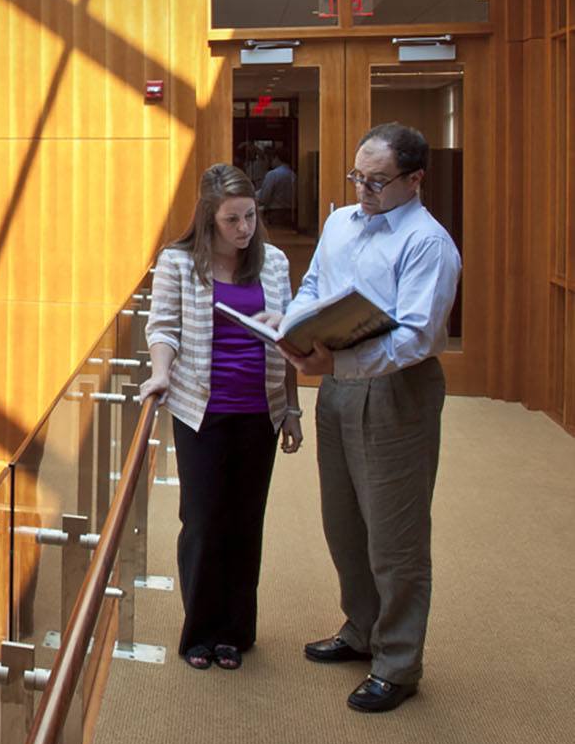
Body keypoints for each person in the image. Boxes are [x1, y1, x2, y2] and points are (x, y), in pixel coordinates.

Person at [282, 123, 461, 713]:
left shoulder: (428, 244)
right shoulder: (340, 222)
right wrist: (298, 328)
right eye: (359, 176)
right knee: (344, 520)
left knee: (395, 532)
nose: (365, 190)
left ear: (415, 179)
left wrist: (342, 357)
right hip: (337, 383)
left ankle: (399, 661)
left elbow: (417, 336)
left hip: (395, 390)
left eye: (379, 181)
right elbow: (314, 282)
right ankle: (361, 628)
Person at [139, 164, 302, 669]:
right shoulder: (179, 261)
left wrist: (292, 409)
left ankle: (235, 631)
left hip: (261, 410)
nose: (243, 229)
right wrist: (161, 373)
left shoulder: (273, 262)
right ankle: (200, 631)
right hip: (201, 410)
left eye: (250, 217)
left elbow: (290, 340)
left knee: (245, 522)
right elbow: (163, 326)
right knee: (204, 521)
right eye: (231, 220)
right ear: (209, 219)